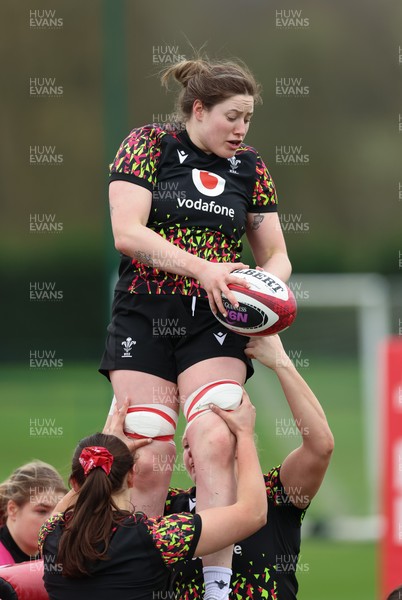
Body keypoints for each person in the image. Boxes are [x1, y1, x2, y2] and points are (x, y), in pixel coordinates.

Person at [99, 56, 291, 598]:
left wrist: (263, 290)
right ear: (198, 109)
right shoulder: (147, 145)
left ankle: (216, 587)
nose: (241, 129)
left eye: (248, 118)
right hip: (145, 311)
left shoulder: (249, 165)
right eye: (232, 116)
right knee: (150, 450)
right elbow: (127, 233)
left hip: (214, 319)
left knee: (214, 436)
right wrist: (204, 267)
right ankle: (140, 583)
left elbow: (276, 254)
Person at [39, 395, 267, 600]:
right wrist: (244, 434)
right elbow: (254, 514)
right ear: (131, 477)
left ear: (75, 484)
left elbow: (62, 509)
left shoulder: (50, 536)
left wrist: (106, 453)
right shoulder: (155, 537)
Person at [165, 335, 335, 599]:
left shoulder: (274, 497)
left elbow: (320, 446)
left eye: (201, 442)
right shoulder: (171, 508)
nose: (191, 453)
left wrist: (281, 363)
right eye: (186, 446)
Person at [0, 461, 67, 566]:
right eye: (42, 511)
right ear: (12, 510)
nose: (53, 521)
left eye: (59, 512)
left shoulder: (62, 556)